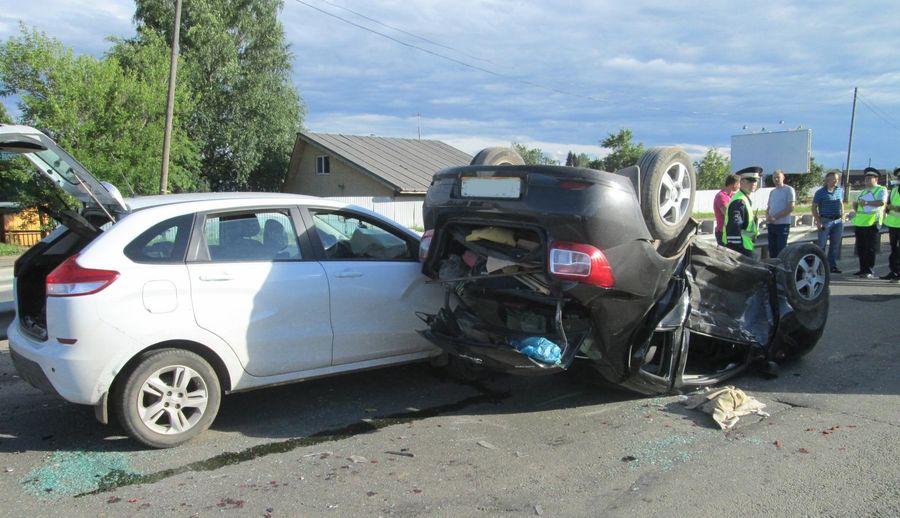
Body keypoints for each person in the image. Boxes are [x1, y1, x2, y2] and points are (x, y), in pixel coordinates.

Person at [851, 167, 887, 278]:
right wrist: (855, 207)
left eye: (870, 178)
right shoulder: (863, 191)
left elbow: (881, 202)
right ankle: (862, 269)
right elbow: (857, 205)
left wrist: (867, 202)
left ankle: (869, 270)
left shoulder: (881, 189)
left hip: (872, 222)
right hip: (860, 222)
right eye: (866, 178)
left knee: (870, 248)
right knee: (861, 248)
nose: (866, 180)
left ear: (876, 179)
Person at [722, 167, 761, 257]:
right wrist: (737, 254)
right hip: (740, 249)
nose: (754, 183)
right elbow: (734, 229)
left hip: (746, 246)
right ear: (742, 182)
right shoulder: (739, 201)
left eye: (756, 181)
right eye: (750, 180)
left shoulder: (744, 199)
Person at [812, 170, 845, 273]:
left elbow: (841, 203)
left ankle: (832, 266)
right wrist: (818, 221)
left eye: (837, 179)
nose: (835, 181)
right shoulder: (820, 192)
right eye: (833, 179)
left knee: (835, 245)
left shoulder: (839, 190)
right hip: (825, 220)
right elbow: (814, 207)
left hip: (838, 221)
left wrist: (843, 216)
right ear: (827, 180)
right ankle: (819, 267)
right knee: (821, 245)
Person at [765, 169, 796, 258]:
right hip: (771, 224)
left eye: (778, 177)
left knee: (781, 249)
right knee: (772, 249)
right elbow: (768, 207)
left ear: (783, 177)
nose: (776, 179)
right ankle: (772, 269)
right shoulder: (772, 192)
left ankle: (780, 269)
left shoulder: (789, 190)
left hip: (782, 225)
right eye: (774, 178)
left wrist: (775, 217)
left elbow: (790, 208)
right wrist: (767, 216)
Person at [881, 167, 900, 281]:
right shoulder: (894, 190)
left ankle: (898, 272)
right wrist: (888, 208)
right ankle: (893, 271)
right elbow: (888, 206)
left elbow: (893, 207)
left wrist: (896, 208)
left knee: (898, 250)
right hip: (893, 225)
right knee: (894, 249)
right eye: (898, 177)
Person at [714, 174, 740, 242]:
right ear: (733, 184)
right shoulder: (721, 196)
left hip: (731, 231)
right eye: (738, 183)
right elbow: (727, 213)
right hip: (723, 233)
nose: (739, 186)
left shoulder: (733, 195)